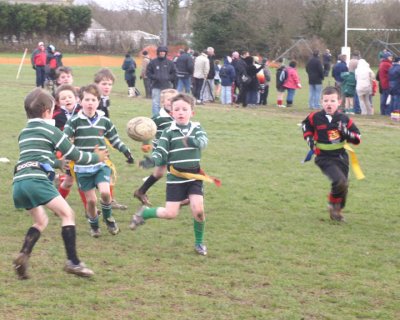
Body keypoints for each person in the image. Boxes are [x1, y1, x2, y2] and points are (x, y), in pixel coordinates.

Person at [12, 88, 108, 280]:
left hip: (19, 182)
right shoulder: (52, 130)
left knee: (40, 221)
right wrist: (95, 156)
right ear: (47, 111)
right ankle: (73, 262)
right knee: (68, 214)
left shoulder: (24, 132)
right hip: (37, 180)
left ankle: (23, 255)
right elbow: (76, 155)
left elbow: (39, 155)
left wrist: (57, 163)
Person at [130, 93, 209, 256]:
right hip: (175, 178)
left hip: (194, 176)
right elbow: (161, 153)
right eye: (177, 109)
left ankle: (199, 243)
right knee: (171, 213)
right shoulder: (168, 132)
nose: (181, 112)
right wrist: (152, 161)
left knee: (199, 210)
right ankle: (145, 213)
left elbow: (203, 142)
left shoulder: (197, 128)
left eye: (184, 109)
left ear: (192, 112)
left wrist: (192, 141)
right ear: (171, 113)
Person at [64, 84, 134, 237]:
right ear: (80, 101)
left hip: (101, 164)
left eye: (93, 100)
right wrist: (67, 156)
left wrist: (126, 152)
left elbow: (115, 139)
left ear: (98, 102)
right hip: (82, 167)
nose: (90, 103)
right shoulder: (74, 121)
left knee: (105, 192)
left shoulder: (104, 121)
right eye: (86, 99)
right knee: (91, 202)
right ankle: (94, 226)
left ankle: (108, 218)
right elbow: (65, 140)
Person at [302, 86, 361, 222]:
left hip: (341, 157)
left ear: (339, 102)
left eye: (333, 101)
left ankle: (337, 209)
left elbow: (358, 137)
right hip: (324, 157)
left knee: (344, 185)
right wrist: (309, 138)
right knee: (340, 181)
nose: (329, 104)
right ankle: (333, 206)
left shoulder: (344, 119)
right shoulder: (315, 117)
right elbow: (306, 125)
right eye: (326, 101)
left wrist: (346, 133)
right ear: (321, 102)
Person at [133, 88, 178, 205]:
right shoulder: (158, 117)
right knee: (178, 169)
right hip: (161, 149)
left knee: (159, 173)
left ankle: (141, 191)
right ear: (163, 102)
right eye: (169, 99)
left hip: (173, 149)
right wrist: (145, 144)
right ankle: (180, 197)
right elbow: (146, 129)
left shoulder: (178, 116)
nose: (171, 102)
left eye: (174, 100)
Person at [93, 68, 127, 210]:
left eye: (109, 84)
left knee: (105, 170)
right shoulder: (94, 101)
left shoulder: (105, 101)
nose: (107, 86)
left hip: (100, 141)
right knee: (107, 170)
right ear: (96, 84)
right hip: (91, 143)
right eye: (104, 83)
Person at [146, 46, 176, 116]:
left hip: (167, 87)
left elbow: (174, 73)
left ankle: (165, 116)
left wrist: (168, 78)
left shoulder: (170, 63)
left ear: (166, 53)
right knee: (155, 103)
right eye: (161, 52)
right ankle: (155, 117)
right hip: (156, 86)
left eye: (164, 52)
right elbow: (148, 73)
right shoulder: (153, 62)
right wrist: (154, 77)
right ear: (158, 53)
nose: (162, 53)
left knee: (166, 103)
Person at [378, 51, 393, 115]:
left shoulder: (382, 63)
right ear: (387, 57)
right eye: (390, 57)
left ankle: (383, 111)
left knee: (384, 98)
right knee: (388, 99)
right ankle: (387, 112)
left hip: (383, 83)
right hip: (387, 83)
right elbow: (393, 72)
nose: (391, 58)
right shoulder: (387, 64)